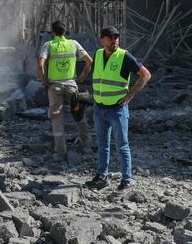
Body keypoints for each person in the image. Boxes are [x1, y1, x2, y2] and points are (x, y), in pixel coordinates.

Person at [86, 25, 151, 191]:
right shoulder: (98, 54)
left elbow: (146, 75)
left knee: (122, 146)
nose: (114, 40)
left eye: (116, 37)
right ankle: (102, 177)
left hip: (117, 110)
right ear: (102, 40)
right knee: (102, 145)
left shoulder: (124, 56)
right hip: (99, 108)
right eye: (110, 37)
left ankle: (126, 180)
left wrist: (130, 96)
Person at [37, 21, 93, 160]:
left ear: (53, 32)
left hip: (54, 86)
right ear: (65, 32)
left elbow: (40, 64)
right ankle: (86, 146)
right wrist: (80, 78)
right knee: (79, 115)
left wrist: (44, 80)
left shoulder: (48, 45)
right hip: (71, 85)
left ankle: (60, 152)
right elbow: (89, 61)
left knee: (57, 118)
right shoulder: (73, 44)